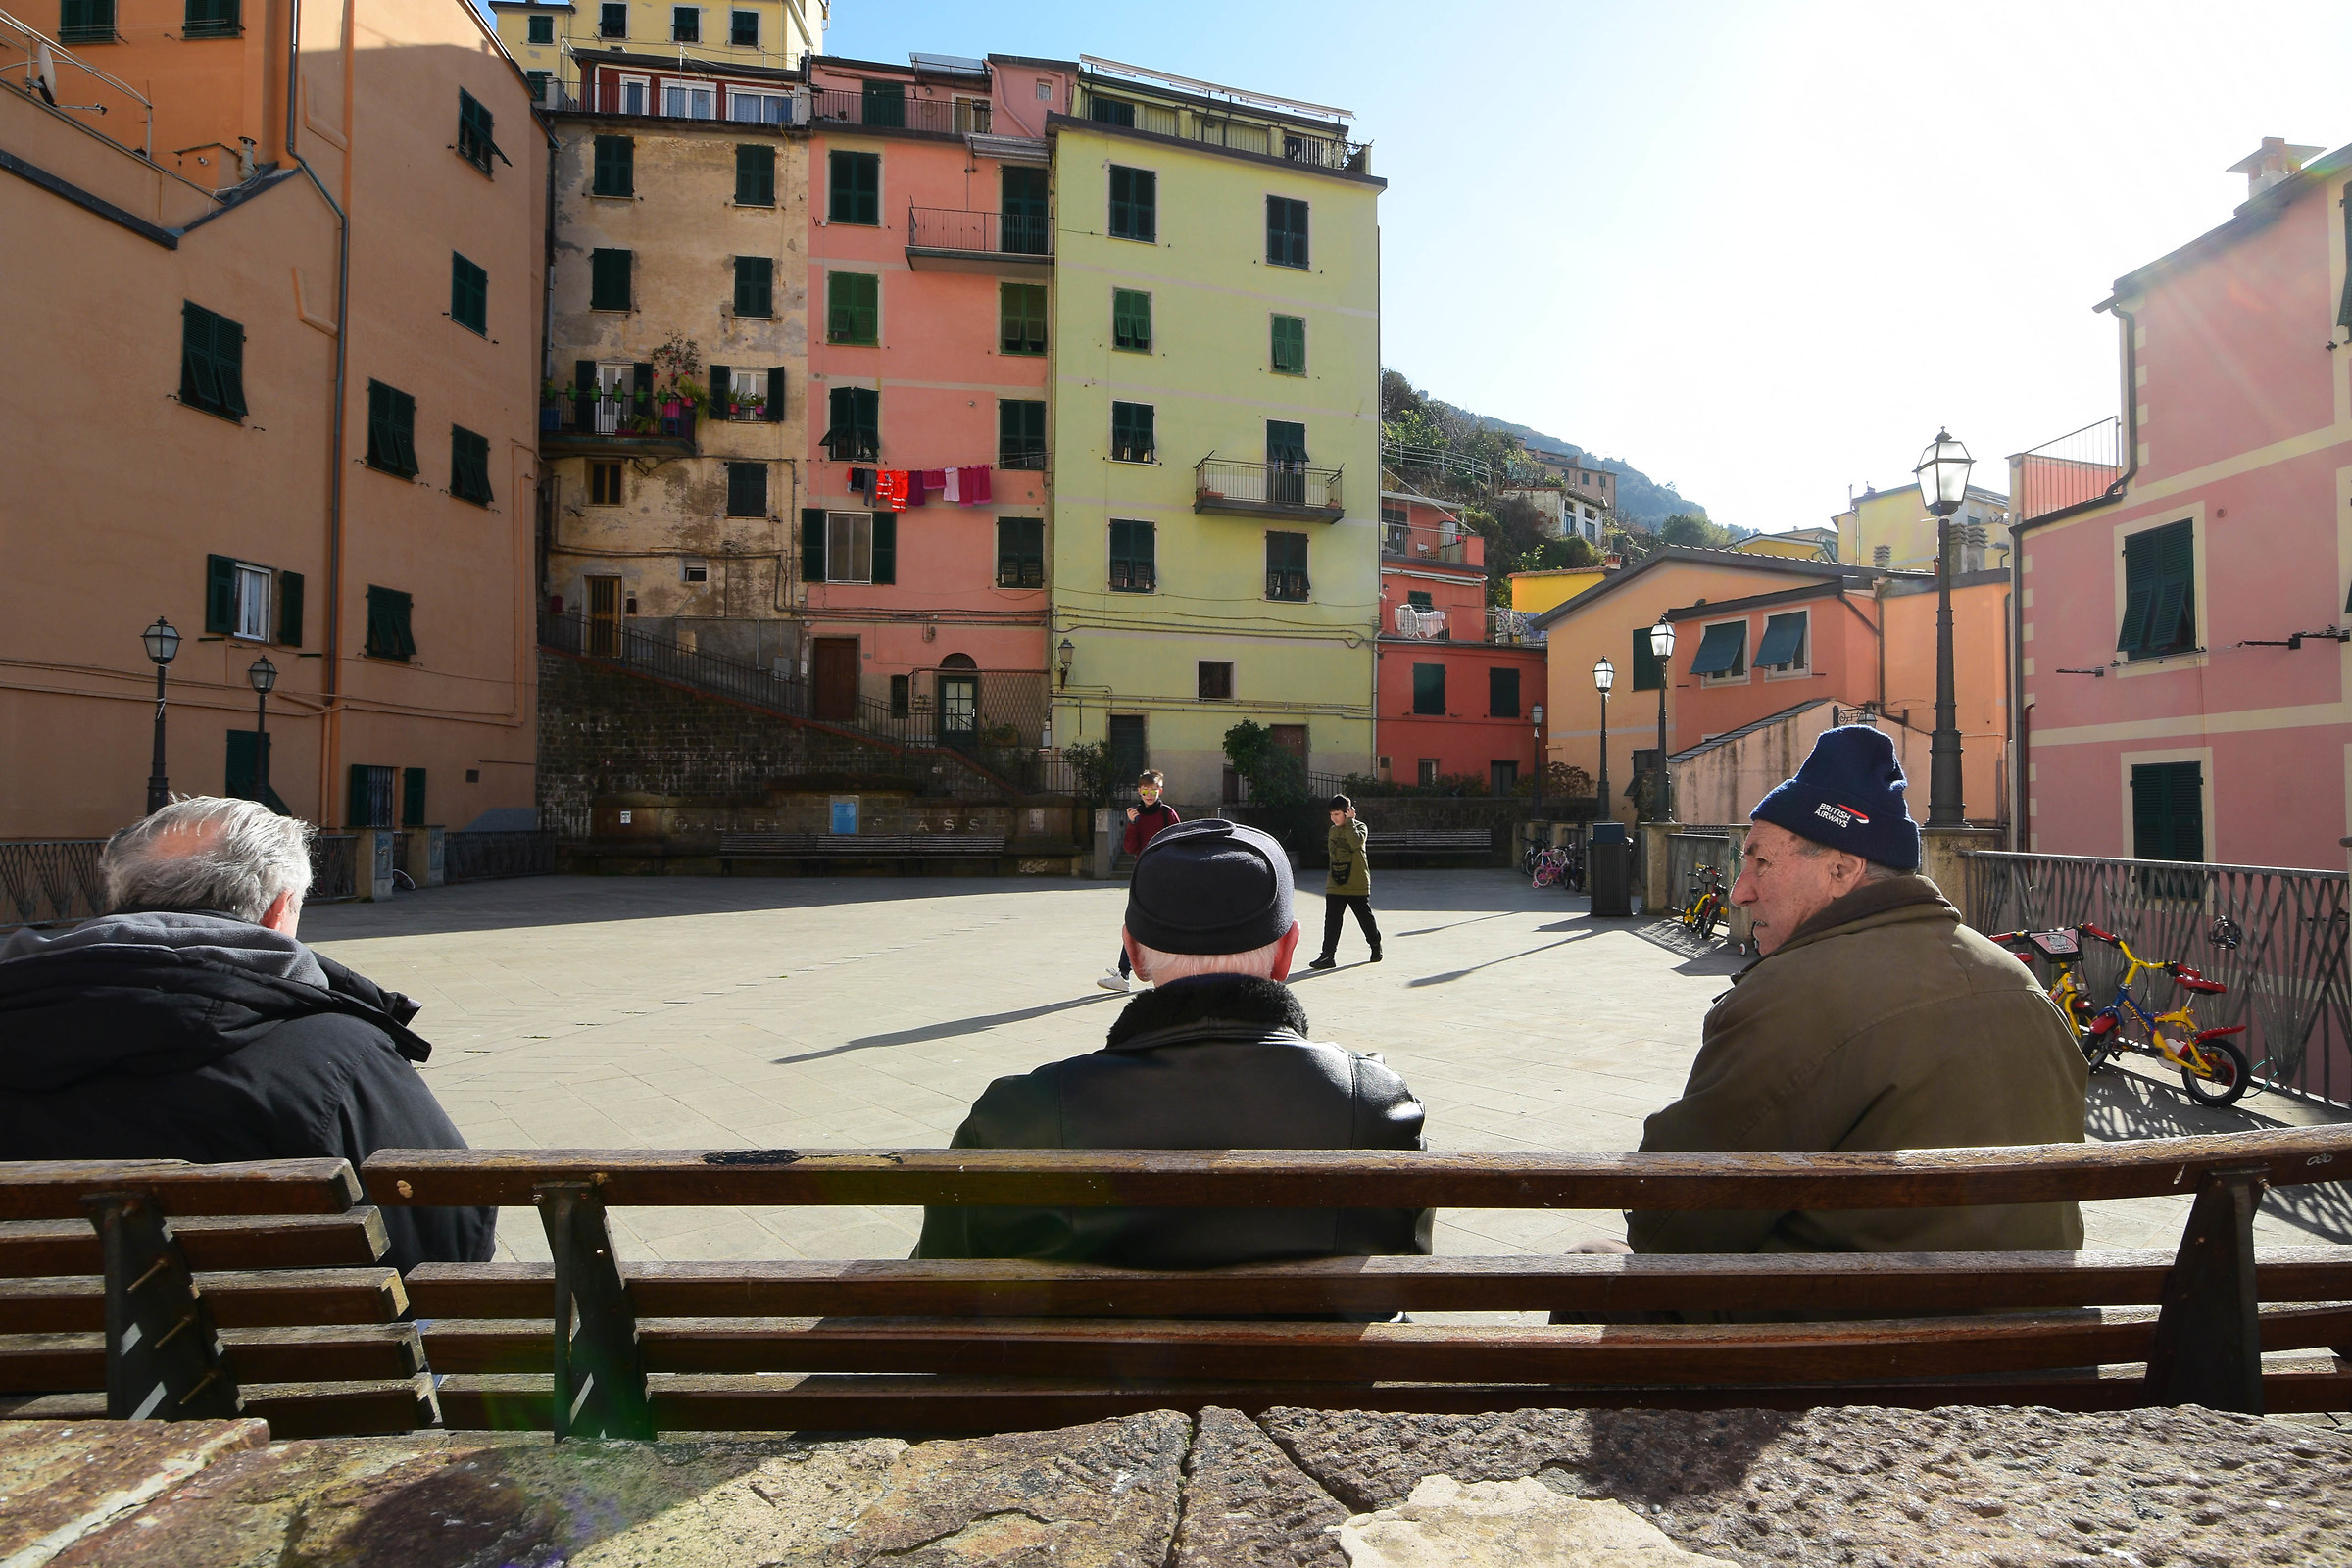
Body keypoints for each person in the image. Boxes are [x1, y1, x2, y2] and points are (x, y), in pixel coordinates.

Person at [1622, 725, 2088, 1265]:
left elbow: (1673, 1220)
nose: (1741, 891)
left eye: (1761, 862)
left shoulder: (1793, 995)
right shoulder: (2017, 981)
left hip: (1856, 1331)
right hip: (2036, 1326)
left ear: (1842, 869)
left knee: (1591, 1262)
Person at [0, 798, 496, 1275]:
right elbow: (452, 1238)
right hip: (262, 1352)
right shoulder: (337, 1052)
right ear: (280, 911)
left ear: (120, 899)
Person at [920, 817, 1431, 1268]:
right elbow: (1402, 1274)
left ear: (1133, 954)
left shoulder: (1017, 1116)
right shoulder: (1376, 1108)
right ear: (1287, 953)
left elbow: (940, 1283)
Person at [1099, 769, 1180, 993]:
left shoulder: (1167, 813)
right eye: (1145, 790)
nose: (1149, 794)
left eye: (1153, 790)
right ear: (1139, 791)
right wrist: (1133, 823)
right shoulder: (1136, 815)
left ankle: (1145, 973)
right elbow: (1130, 848)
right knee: (1135, 923)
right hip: (1143, 876)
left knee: (1158, 924)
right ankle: (1124, 974)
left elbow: (1179, 842)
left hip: (1164, 878)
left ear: (1160, 790)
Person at [1307, 794, 1381, 969]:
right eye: (1331, 815)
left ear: (1347, 813)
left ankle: (1375, 945)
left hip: (1357, 883)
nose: (1333, 819)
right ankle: (1327, 955)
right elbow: (1335, 856)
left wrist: (1350, 823)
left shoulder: (1360, 827)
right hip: (1336, 883)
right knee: (1331, 920)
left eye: (1337, 815)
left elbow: (1355, 842)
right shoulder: (1333, 831)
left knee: (1365, 918)